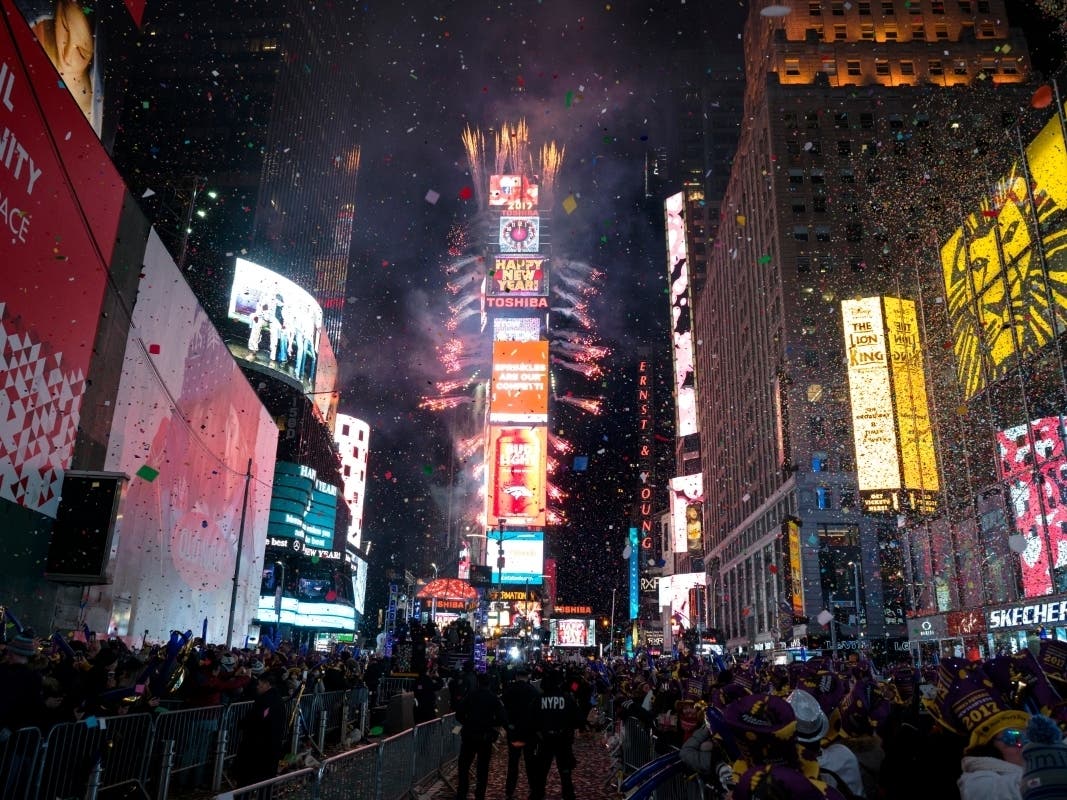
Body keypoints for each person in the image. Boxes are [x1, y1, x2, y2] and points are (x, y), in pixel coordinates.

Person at [530, 668, 582, 800]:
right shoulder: (567, 698)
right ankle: (568, 795)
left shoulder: (539, 699)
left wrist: (538, 732)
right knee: (565, 773)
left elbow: (532, 719)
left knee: (541, 772)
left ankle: (537, 795)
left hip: (544, 739)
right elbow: (577, 720)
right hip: (562, 740)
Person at [454, 671, 506, 800]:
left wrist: (468, 722)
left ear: (478, 682)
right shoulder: (494, 698)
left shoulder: (470, 696)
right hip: (485, 736)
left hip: (469, 735)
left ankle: (462, 793)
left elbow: (459, 713)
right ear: (489, 683)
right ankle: (480, 794)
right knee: (482, 768)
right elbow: (502, 718)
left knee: (464, 766)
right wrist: (491, 726)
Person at [233, 670, 287, 790]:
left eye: (259, 684)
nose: (257, 686)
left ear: (267, 684)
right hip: (270, 748)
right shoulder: (278, 700)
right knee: (266, 784)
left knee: (245, 783)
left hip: (256, 747)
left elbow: (256, 719)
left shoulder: (265, 701)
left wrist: (243, 723)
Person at [502, 667, 542, 800]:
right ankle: (533, 789)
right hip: (529, 733)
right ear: (528, 677)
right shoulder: (533, 691)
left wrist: (508, 727)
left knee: (513, 762)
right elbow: (537, 713)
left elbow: (503, 710)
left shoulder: (509, 691)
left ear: (517, 677)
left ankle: (509, 790)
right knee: (530, 762)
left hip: (514, 732)